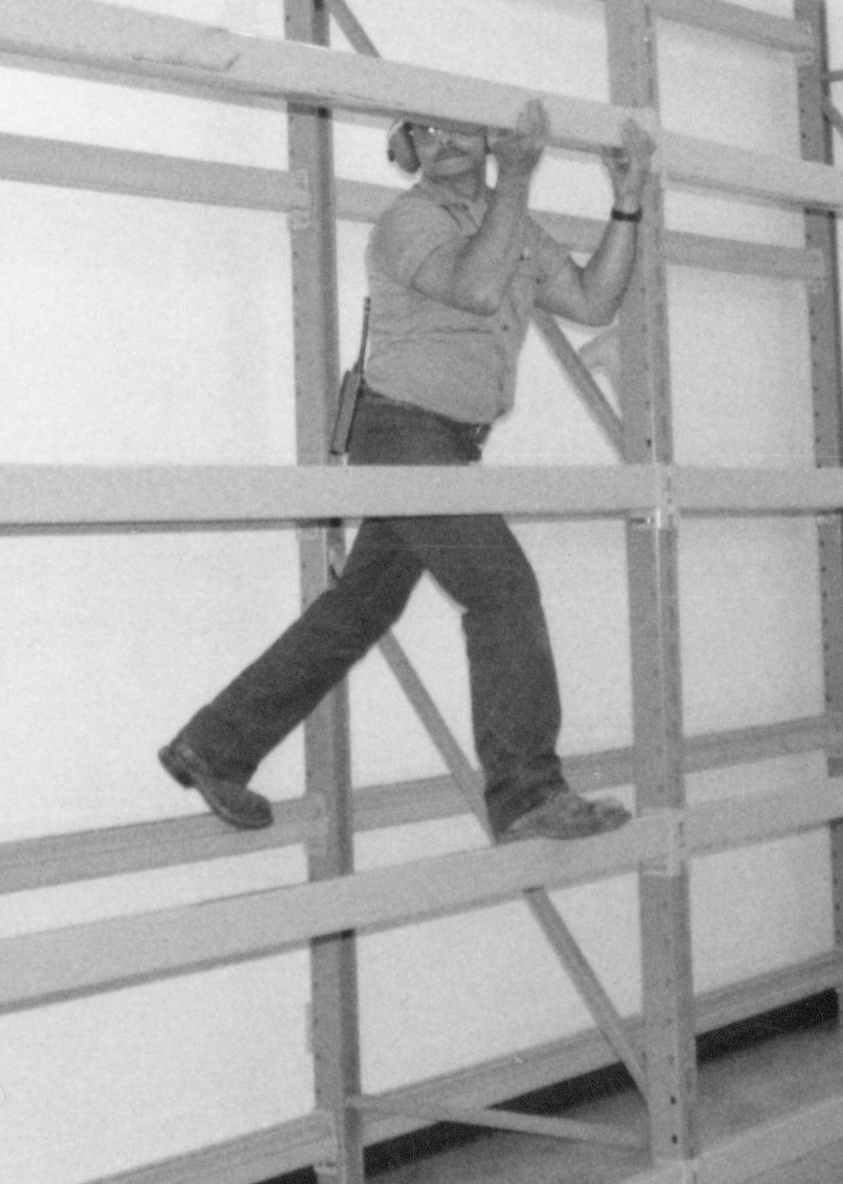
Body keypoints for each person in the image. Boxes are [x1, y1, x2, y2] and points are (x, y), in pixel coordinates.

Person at [160, 101, 655, 842]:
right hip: (401, 432)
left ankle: (214, 744)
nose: (444, 139)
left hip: (447, 442)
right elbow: (478, 286)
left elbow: (592, 297)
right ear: (407, 147)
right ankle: (525, 791)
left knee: (359, 607)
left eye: (456, 123)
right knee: (502, 585)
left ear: (484, 133)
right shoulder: (407, 222)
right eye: (424, 131)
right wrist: (518, 178)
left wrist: (627, 204)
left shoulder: (507, 219)